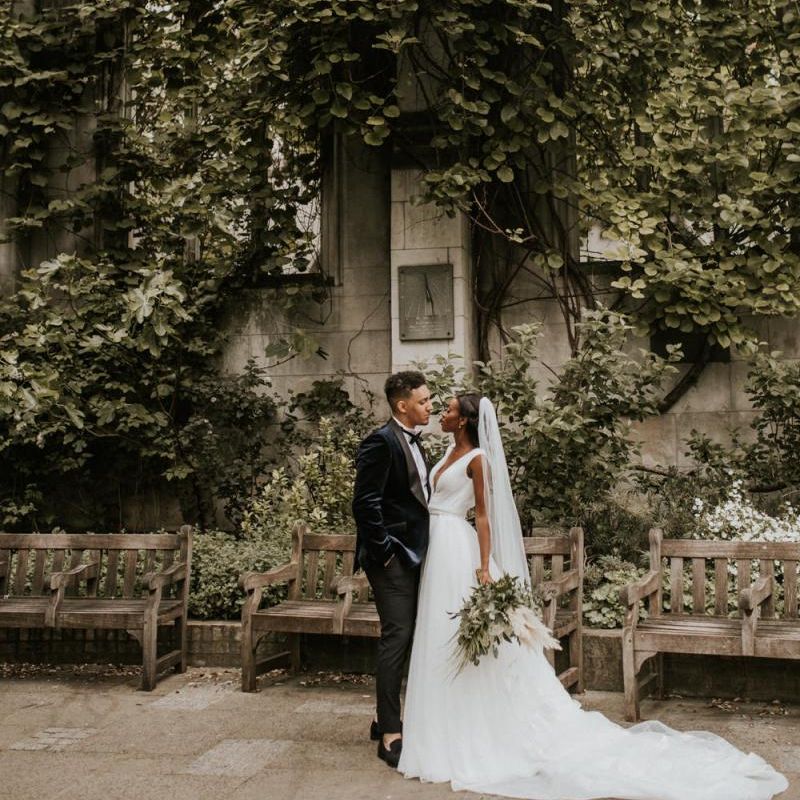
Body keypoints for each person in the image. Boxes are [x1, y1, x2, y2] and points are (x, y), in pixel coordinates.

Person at [397, 393, 788, 800]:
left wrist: (483, 566)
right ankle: (441, 728)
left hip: (459, 551)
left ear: (464, 420)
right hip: (437, 549)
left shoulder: (478, 458)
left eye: (448, 410)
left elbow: (482, 515)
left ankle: (477, 731)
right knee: (438, 635)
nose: (441, 414)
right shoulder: (444, 453)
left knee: (466, 638)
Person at [352, 370, 432, 768]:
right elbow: (364, 504)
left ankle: (382, 717)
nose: (430, 407)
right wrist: (385, 553)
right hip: (392, 559)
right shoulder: (380, 442)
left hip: (416, 555)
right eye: (423, 401)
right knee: (397, 636)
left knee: (409, 635)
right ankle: (389, 734)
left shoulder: (416, 441)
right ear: (403, 405)